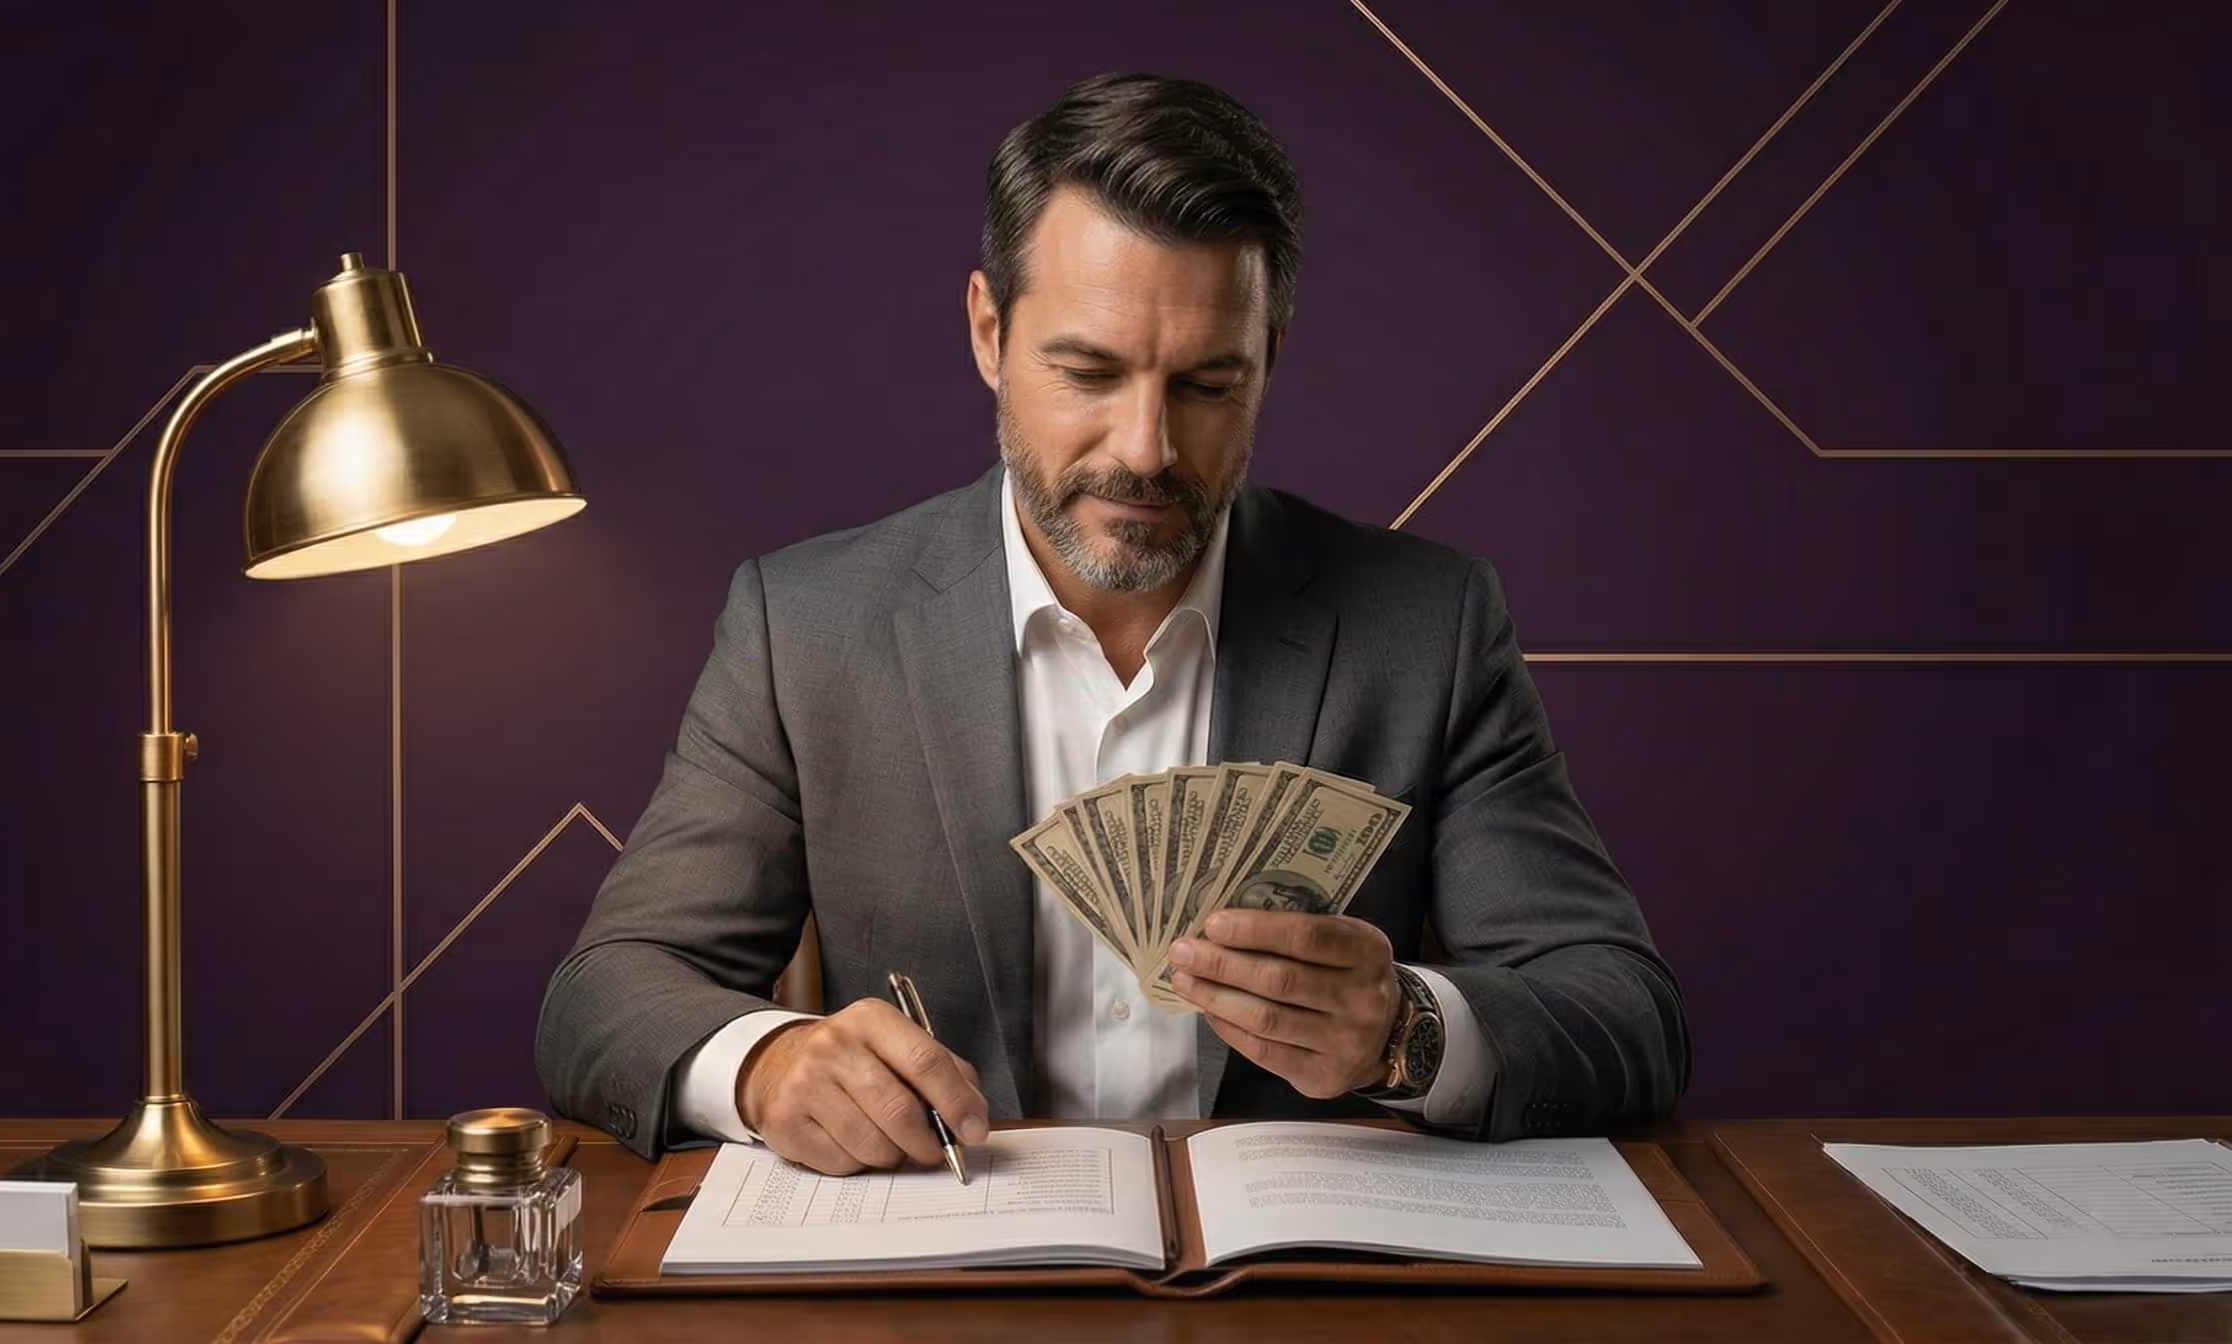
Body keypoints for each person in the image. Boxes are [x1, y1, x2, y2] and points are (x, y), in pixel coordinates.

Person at [536, 74, 1687, 1170]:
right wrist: (764, 1067)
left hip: (1298, 1273)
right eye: (1088, 372)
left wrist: (1407, 1035)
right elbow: (606, 993)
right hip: (945, 1254)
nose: (1146, 449)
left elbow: (1625, 1012)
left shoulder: (1427, 625)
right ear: (989, 333)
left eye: (1207, 385)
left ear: (1271, 358)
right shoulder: (804, 627)